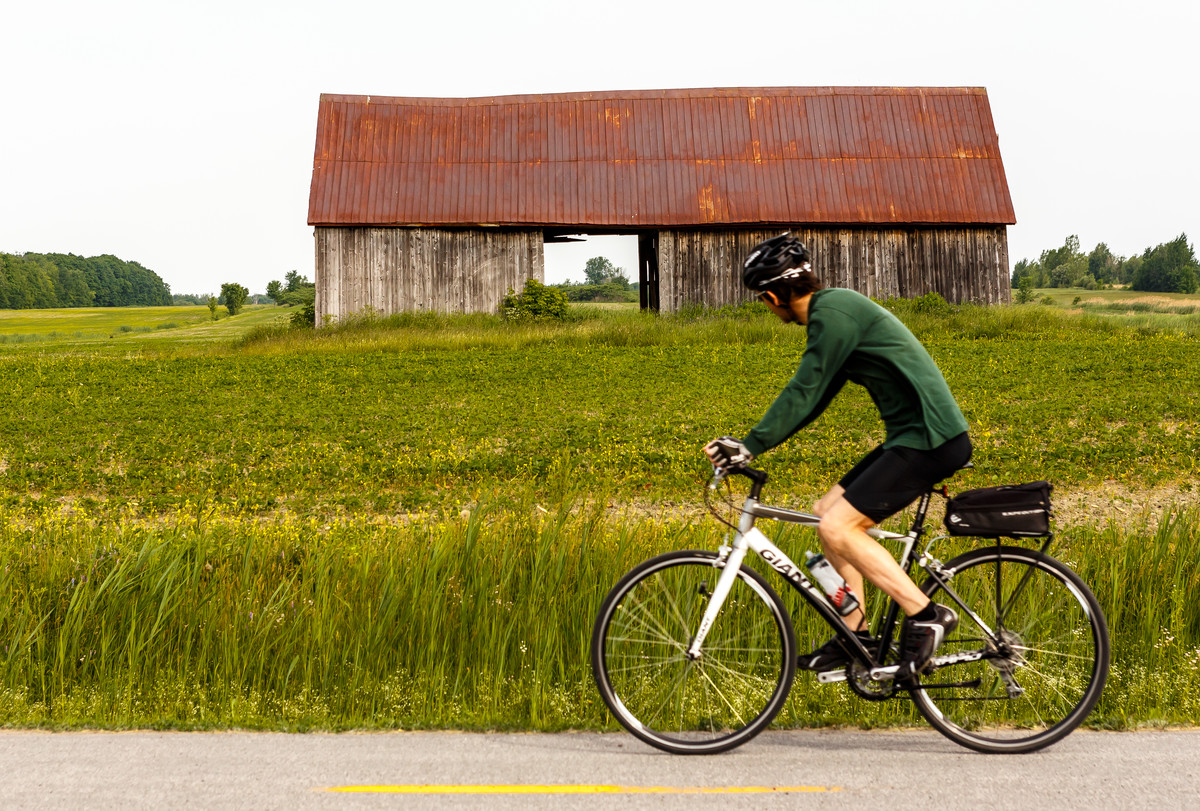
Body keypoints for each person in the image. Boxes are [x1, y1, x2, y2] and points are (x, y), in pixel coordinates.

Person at [704, 233, 972, 681]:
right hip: (910, 437)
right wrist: (757, 441)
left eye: (762, 300)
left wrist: (748, 444)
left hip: (930, 439)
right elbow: (818, 395)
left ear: (773, 296)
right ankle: (856, 635)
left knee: (837, 526)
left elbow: (805, 388)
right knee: (826, 513)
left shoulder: (833, 314)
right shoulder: (834, 312)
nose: (766, 308)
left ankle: (925, 614)